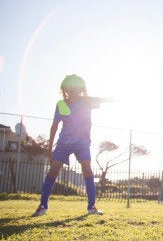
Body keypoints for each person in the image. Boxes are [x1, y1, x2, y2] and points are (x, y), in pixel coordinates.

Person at [32, 74, 110, 217]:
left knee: (87, 168)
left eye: (76, 87)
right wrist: (49, 149)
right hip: (64, 143)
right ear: (65, 88)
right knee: (54, 170)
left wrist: (119, 98)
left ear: (81, 89)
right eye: (70, 87)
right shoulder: (61, 104)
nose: (73, 89)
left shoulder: (87, 102)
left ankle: (92, 206)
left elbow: (103, 99)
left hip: (82, 143)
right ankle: (42, 205)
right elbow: (54, 126)